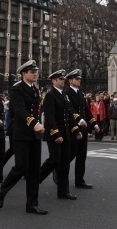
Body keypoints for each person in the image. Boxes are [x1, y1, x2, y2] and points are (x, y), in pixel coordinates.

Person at [0, 60, 47, 215]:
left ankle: (32, 204)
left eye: (36, 72)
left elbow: (36, 110)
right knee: (21, 167)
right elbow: (19, 110)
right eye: (32, 72)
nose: (35, 74)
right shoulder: (16, 89)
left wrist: (39, 126)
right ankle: (2, 189)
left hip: (34, 135)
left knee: (34, 171)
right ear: (24, 74)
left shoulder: (35, 89)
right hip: (22, 134)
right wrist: (34, 124)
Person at [39, 69, 82, 200]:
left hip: (66, 134)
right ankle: (35, 179)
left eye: (64, 79)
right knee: (54, 160)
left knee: (64, 163)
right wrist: (56, 134)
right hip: (55, 134)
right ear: (54, 81)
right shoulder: (50, 95)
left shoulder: (64, 95)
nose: (63, 81)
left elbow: (69, 114)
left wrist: (76, 129)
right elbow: (50, 117)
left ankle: (63, 191)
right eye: (61, 79)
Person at [64, 69, 99, 189]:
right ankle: (60, 171)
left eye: (79, 79)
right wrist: (78, 119)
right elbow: (70, 109)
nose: (79, 81)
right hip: (73, 127)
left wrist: (94, 123)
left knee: (82, 155)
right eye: (76, 79)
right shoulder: (67, 93)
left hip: (83, 128)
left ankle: (79, 180)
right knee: (72, 153)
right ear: (70, 80)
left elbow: (86, 110)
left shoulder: (81, 93)